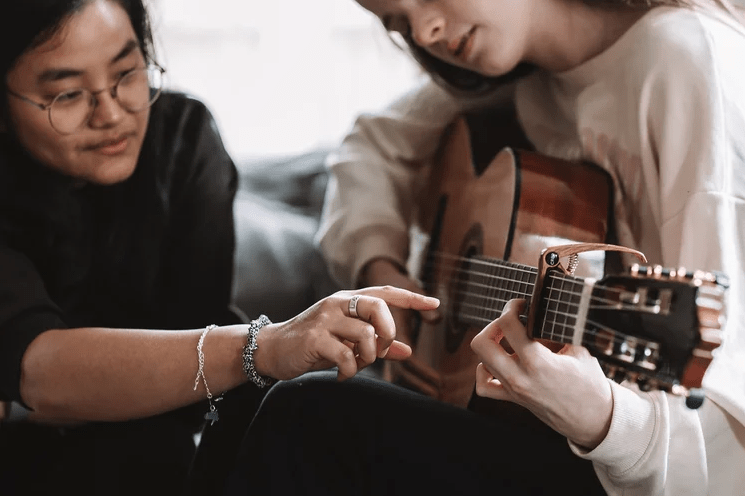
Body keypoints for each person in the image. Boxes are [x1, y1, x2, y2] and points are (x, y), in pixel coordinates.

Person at [221, 0, 745, 495]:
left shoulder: (683, 61)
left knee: (309, 415)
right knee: (242, 399)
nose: (425, 32)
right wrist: (384, 265)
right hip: (583, 441)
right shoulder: (529, 81)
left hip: (638, 461)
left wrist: (603, 419)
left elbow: (726, 425)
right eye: (398, 22)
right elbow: (370, 147)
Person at [0, 1, 440, 496]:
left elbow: (195, 382)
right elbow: (36, 371)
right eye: (68, 93)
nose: (113, 112)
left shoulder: (181, 137)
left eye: (127, 72)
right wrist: (268, 345)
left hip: (150, 452)